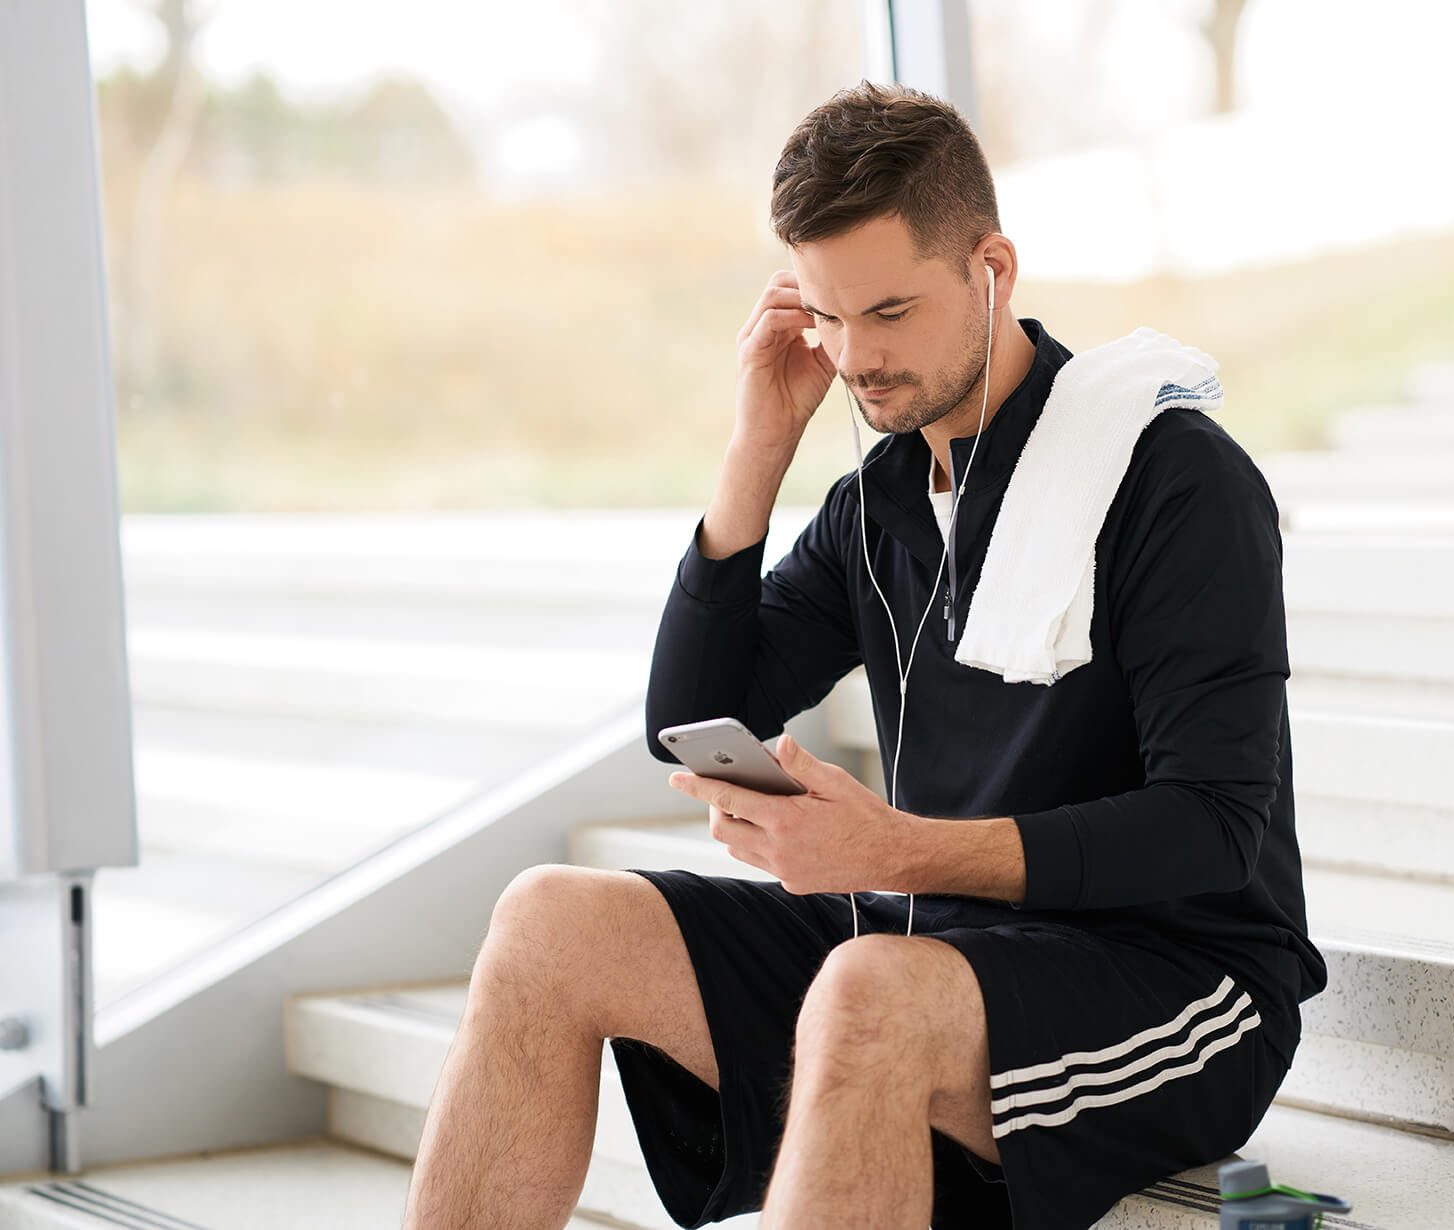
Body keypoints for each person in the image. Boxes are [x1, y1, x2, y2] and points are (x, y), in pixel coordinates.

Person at [401, 81, 1325, 1230]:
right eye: (827, 318)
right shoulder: (880, 501)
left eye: (890, 312)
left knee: (868, 991)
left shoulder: (1175, 479)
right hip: (947, 948)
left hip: (1184, 985)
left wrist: (893, 847)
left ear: (993, 266)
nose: (855, 359)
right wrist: (758, 445)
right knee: (551, 920)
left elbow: (1211, 826)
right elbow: (691, 717)